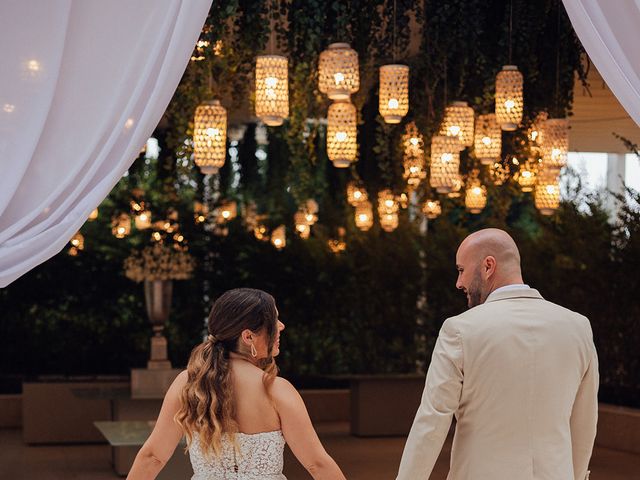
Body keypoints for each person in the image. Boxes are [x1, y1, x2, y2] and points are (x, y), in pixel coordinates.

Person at [397, 228, 598, 480]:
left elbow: (431, 421)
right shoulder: (578, 327)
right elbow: (584, 424)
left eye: (461, 270)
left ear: (488, 266)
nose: (458, 283)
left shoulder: (459, 330)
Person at [127, 288, 346, 480]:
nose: (281, 326)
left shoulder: (188, 383)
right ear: (248, 337)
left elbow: (153, 457)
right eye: (274, 321)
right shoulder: (277, 390)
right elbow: (317, 464)